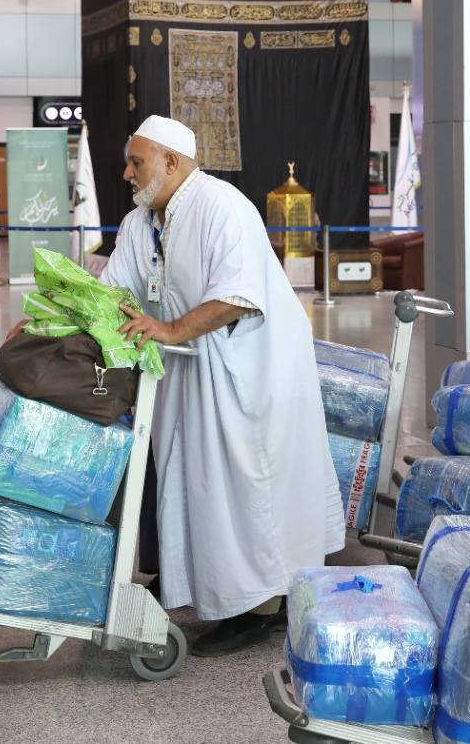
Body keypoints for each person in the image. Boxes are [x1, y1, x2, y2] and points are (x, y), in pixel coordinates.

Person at [99, 115, 343, 656]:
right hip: (189, 370)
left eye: (136, 161)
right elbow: (113, 288)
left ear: (172, 162)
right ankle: (210, 588)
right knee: (197, 485)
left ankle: (261, 608)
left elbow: (235, 294)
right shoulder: (143, 222)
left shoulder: (222, 205)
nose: (127, 172)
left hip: (248, 372)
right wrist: (59, 314)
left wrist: (167, 328)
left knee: (245, 489)